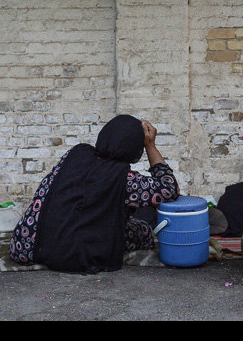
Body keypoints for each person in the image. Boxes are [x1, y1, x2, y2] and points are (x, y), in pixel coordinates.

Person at [9, 114, 179, 273]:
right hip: (70, 252)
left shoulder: (76, 154)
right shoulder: (125, 179)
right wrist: (150, 145)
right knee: (144, 229)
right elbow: (168, 189)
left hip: (25, 245)